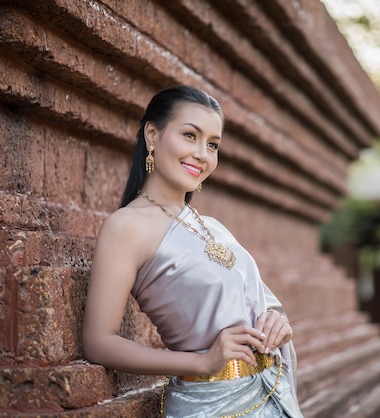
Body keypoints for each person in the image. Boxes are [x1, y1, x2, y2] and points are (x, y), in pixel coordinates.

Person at [82, 85, 303, 417]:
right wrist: (202, 361)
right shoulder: (126, 227)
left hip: (271, 394)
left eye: (212, 144)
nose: (202, 153)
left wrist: (277, 322)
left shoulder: (212, 226)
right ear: (152, 135)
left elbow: (258, 303)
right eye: (190, 135)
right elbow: (98, 342)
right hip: (209, 404)